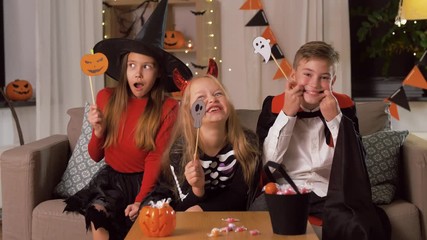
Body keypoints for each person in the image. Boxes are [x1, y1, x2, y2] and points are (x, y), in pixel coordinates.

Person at [63, 1, 192, 239]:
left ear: (158, 74)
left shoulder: (168, 107)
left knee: (150, 219)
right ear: (125, 69)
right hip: (112, 179)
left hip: (149, 181)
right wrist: (98, 131)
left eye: (147, 67)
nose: (138, 73)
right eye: (132, 65)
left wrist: (141, 199)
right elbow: (95, 155)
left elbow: (155, 157)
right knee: (97, 215)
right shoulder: (105, 97)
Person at [254, 41, 390, 239]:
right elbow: (267, 165)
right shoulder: (273, 106)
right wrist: (287, 114)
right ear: (293, 75)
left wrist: (334, 120)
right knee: (255, 216)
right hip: (286, 190)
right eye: (307, 74)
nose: (315, 84)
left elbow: (355, 164)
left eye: (324, 77)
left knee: (363, 223)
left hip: (330, 193)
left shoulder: (344, 107)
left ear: (332, 81)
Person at [142, 69, 261, 212]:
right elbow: (181, 208)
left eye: (218, 94)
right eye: (201, 98)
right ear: (189, 111)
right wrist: (197, 189)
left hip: (231, 216)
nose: (212, 99)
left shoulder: (247, 143)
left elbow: (240, 197)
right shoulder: (180, 150)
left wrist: (203, 209)